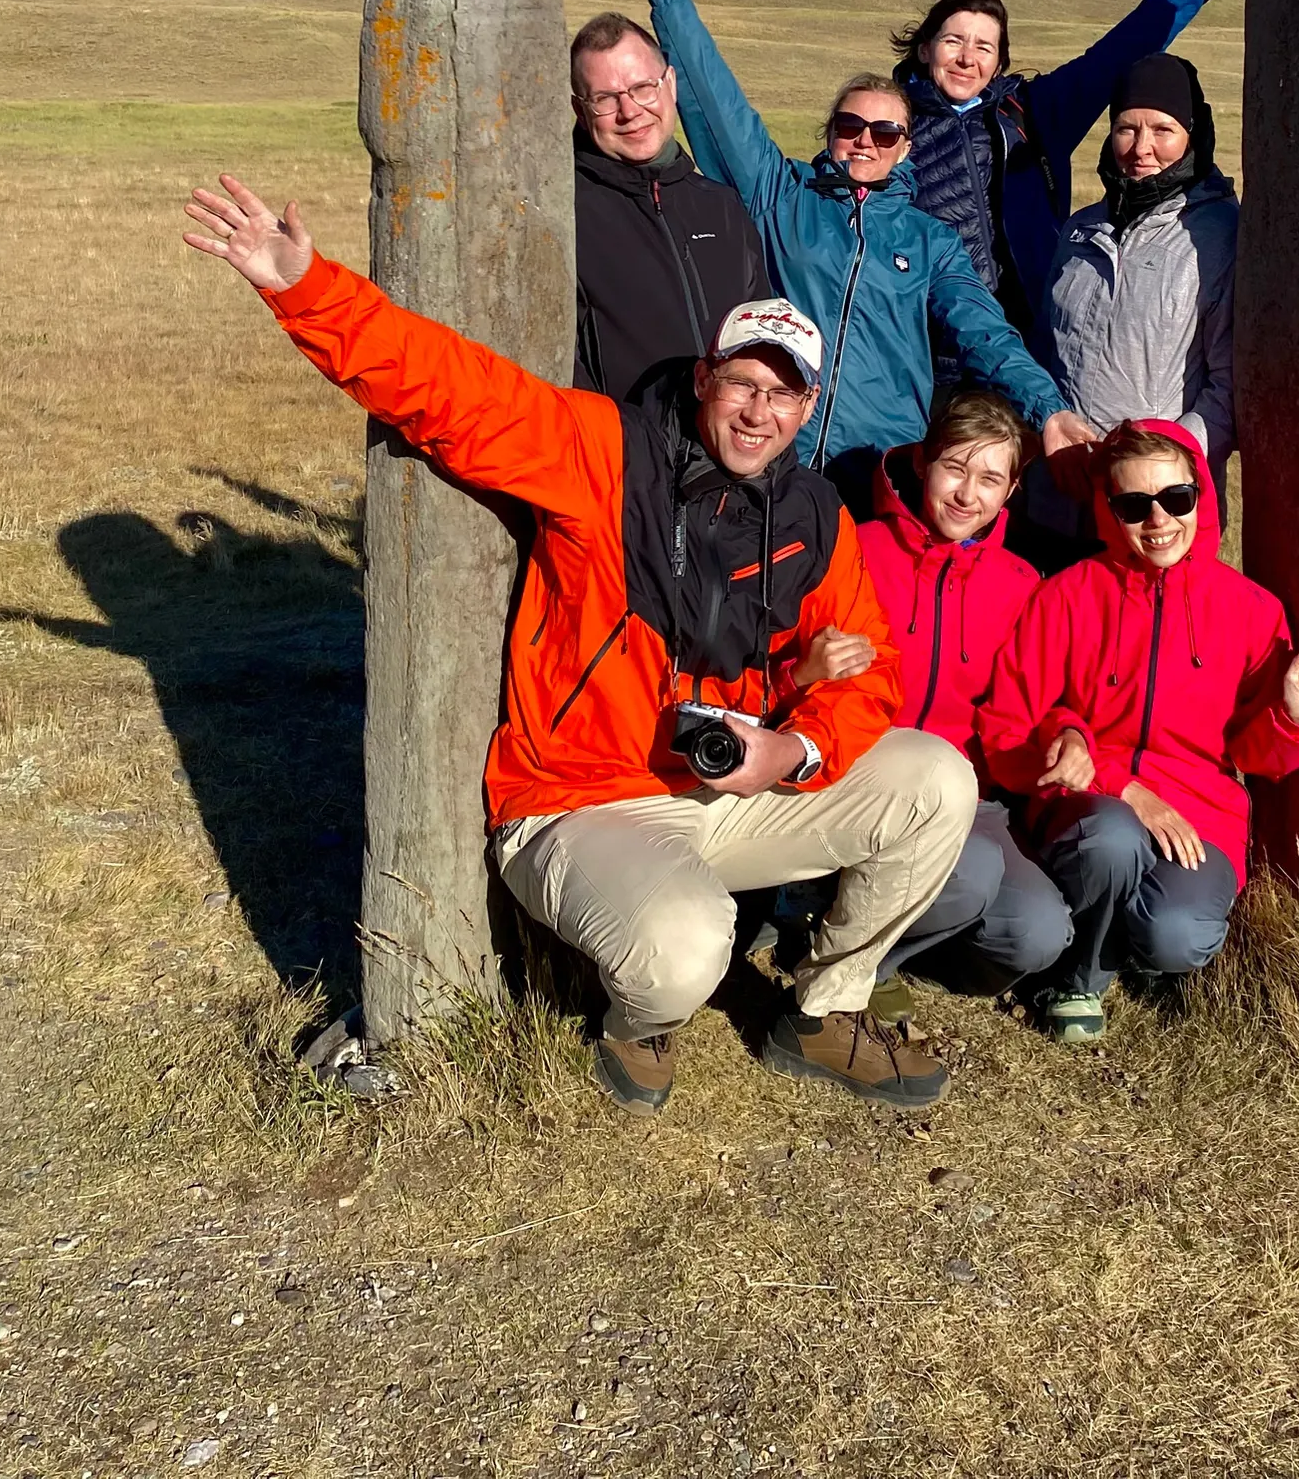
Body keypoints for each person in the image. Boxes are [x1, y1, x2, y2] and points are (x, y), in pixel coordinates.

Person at [182, 173, 979, 1114]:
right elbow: (452, 391)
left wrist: (793, 748)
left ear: (809, 410)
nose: (760, 412)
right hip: (579, 803)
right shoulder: (602, 450)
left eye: (785, 394)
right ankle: (638, 1020)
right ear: (704, 381)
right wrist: (304, 286)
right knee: (688, 949)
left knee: (935, 779)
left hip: (728, 795)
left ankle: (822, 1013)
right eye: (743, 383)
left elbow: (868, 668)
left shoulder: (812, 515)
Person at [595, 0, 1095, 490]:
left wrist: (1047, 408)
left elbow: (985, 332)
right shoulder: (781, 194)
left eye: (885, 132)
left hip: (882, 469)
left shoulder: (929, 241)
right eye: (851, 124)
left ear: (905, 148)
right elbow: (719, 103)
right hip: (779, 458)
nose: (865, 140)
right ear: (830, 130)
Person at [982, 418, 1299, 1045]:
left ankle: (1121, 927)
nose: (1158, 521)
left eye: (1175, 499)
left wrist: (1294, 716)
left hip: (1200, 816)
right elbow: (1008, 725)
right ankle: (1081, 974)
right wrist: (1103, 772)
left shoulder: (1251, 608)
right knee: (1111, 840)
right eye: (1134, 505)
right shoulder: (1067, 595)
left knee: (1179, 940)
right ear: (1108, 509)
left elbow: (1254, 755)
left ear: (1200, 495)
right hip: (1095, 805)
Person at [780, 390, 1072, 1007]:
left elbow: (1040, 697)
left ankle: (887, 948)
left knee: (1039, 934)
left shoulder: (1020, 582)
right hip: (865, 779)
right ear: (922, 463)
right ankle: (842, 950)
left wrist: (1067, 731)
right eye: (955, 469)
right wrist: (803, 672)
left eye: (990, 478)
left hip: (973, 796)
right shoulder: (857, 547)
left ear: (1013, 490)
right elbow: (790, 655)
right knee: (971, 879)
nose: (968, 495)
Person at [888, 0, 1255, 342]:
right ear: (924, 50)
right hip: (926, 353)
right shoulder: (886, 127)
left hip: (1030, 348)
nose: (967, 58)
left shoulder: (1031, 115)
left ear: (1000, 62)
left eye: (984, 46)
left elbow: (1124, 48)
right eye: (953, 41)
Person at [1038, 49, 1239, 500]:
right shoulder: (1080, 229)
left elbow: (1231, 386)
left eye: (1163, 129)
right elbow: (1045, 350)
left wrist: (1160, 467)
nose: (1140, 147)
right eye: (1126, 128)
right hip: (1057, 492)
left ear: (1193, 134)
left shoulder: (1221, 236)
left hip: (1157, 507)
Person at [568, 7, 767, 402]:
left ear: (670, 84)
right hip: (618, 454)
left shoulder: (721, 207)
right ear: (580, 109)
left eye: (643, 88)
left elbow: (760, 337)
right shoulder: (563, 211)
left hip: (724, 454)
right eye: (605, 99)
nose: (630, 112)